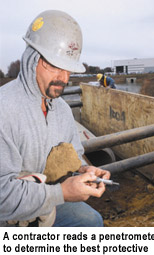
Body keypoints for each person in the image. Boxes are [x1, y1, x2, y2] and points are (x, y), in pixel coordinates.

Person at [0, 10, 110, 227]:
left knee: (91, 221)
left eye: (68, 68)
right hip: (10, 215)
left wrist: (83, 170)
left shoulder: (62, 110)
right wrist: (61, 192)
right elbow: (3, 196)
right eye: (54, 65)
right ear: (32, 59)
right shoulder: (5, 109)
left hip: (49, 200)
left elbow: (73, 154)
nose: (63, 78)